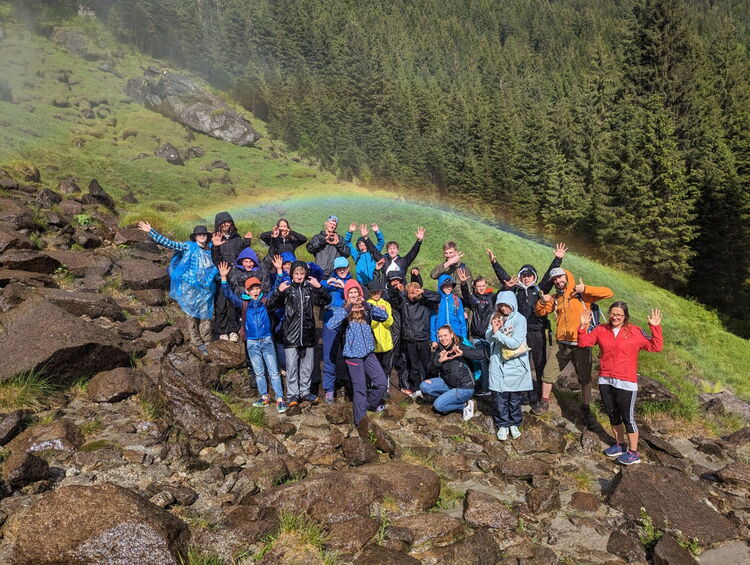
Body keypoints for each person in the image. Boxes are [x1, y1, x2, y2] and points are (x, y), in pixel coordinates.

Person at [577, 302, 663, 465]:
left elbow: (656, 347)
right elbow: (583, 342)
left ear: (625, 316)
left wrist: (655, 327)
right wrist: (583, 326)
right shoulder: (601, 329)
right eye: (612, 313)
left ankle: (634, 453)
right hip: (606, 379)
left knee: (628, 418)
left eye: (619, 315)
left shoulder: (635, 331)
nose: (615, 317)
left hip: (626, 381)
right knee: (612, 414)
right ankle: (620, 444)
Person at [487, 243, 568, 403]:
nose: (526, 278)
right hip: (519, 332)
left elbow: (549, 277)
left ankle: (539, 394)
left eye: (529, 275)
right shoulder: (515, 290)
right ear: (520, 276)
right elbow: (505, 278)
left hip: (536, 331)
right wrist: (494, 263)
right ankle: (522, 392)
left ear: (534, 276)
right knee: (520, 362)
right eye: (523, 275)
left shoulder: (539, 289)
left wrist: (557, 259)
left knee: (539, 362)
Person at [534, 268, 613, 427]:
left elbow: (608, 293)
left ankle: (585, 408)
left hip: (581, 343)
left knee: (585, 379)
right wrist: (541, 302)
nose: (558, 281)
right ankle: (544, 402)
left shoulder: (582, 294)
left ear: (567, 277)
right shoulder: (556, 298)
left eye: (560, 277)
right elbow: (539, 312)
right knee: (548, 374)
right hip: (561, 344)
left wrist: (585, 289)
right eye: (554, 279)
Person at [138, 221, 218, 357]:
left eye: (204, 234)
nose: (202, 236)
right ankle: (197, 342)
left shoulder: (211, 250)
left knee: (206, 316)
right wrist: (151, 231)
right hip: (190, 289)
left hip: (206, 289)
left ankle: (207, 341)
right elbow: (170, 244)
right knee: (191, 316)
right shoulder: (188, 246)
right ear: (195, 237)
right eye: (199, 234)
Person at [218, 262, 287, 413]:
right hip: (251, 342)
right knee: (259, 372)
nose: (255, 291)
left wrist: (279, 270)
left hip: (266, 339)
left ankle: (280, 399)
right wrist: (223, 278)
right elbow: (229, 294)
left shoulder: (265, 302)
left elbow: (276, 288)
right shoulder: (243, 304)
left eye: (257, 288)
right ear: (247, 291)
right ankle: (264, 397)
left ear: (260, 289)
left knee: (274, 371)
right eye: (252, 289)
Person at [268, 261, 331, 406]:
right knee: (291, 366)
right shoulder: (287, 289)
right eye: (296, 274)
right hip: (291, 334)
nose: (299, 276)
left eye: (302, 273)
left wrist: (319, 287)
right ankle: (292, 395)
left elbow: (326, 300)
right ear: (292, 275)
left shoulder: (310, 289)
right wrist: (278, 291)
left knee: (307, 366)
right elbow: (271, 305)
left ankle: (305, 391)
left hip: (308, 333)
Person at [327, 280, 389, 425]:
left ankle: (369, 405)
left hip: (368, 353)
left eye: (356, 292)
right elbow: (331, 325)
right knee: (360, 388)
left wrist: (367, 306)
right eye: (351, 293)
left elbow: (384, 316)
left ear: (360, 294)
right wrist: (348, 309)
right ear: (347, 295)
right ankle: (360, 422)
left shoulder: (366, 309)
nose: (354, 295)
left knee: (381, 382)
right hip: (353, 356)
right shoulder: (342, 310)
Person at [486, 291, 533, 440]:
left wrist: (498, 334)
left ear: (513, 304)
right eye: (501, 305)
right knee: (499, 397)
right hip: (498, 361)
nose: (504, 308)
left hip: (514, 363)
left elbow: (515, 343)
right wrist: (494, 329)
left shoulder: (520, 319)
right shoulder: (495, 316)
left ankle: (514, 422)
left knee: (514, 397)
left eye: (507, 305)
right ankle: (502, 424)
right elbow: (488, 337)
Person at [421, 325, 485, 420]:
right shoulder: (440, 349)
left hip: (464, 387)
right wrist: (439, 361)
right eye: (440, 336)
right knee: (424, 386)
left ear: (451, 335)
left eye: (445, 335)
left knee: (438, 405)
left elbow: (481, 354)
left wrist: (462, 353)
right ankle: (448, 398)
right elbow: (430, 368)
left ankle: (465, 404)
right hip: (448, 384)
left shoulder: (459, 345)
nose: (443, 339)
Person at [211, 211, 253, 342]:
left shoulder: (237, 239)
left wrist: (247, 242)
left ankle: (233, 330)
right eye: (223, 222)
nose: (226, 224)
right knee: (220, 304)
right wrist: (215, 247)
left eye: (228, 222)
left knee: (233, 303)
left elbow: (243, 256)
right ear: (218, 224)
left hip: (235, 276)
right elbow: (215, 260)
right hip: (221, 276)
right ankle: (222, 331)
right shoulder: (216, 238)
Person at [320, 256, 353, 403]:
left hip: (348, 323)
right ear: (335, 270)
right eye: (339, 269)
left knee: (350, 355)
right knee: (329, 355)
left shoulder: (351, 283)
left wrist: (344, 287)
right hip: (330, 322)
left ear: (348, 268)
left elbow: (358, 293)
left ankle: (350, 387)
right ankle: (329, 390)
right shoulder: (330, 282)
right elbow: (318, 286)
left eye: (344, 268)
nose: (342, 271)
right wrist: (327, 283)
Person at [457, 268, 495, 396]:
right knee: (482, 361)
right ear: (475, 287)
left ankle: (490, 386)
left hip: (489, 335)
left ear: (486, 285)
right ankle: (485, 388)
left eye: (483, 285)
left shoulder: (492, 297)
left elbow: (504, 292)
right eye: (479, 286)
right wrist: (463, 283)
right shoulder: (473, 299)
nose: (481, 288)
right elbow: (466, 295)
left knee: (490, 360)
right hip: (477, 336)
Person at [398, 281, 440, 395]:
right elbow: (393, 297)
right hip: (409, 339)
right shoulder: (404, 302)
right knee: (414, 366)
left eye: (414, 292)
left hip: (423, 338)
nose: (412, 295)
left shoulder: (425, 302)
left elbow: (438, 297)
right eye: (410, 293)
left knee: (427, 364)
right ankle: (417, 388)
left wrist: (423, 291)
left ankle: (431, 386)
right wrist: (402, 291)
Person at [366, 279, 395, 382]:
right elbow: (370, 325)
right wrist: (378, 314)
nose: (376, 294)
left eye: (378, 291)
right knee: (375, 370)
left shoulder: (386, 304)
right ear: (369, 293)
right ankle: (375, 386)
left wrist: (384, 314)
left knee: (386, 368)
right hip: (373, 345)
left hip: (386, 344)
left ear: (381, 291)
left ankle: (385, 387)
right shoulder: (367, 305)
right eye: (373, 292)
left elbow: (389, 323)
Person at [430, 274, 467, 348]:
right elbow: (433, 321)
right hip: (441, 338)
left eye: (450, 286)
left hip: (456, 336)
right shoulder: (437, 301)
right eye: (446, 286)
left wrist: (464, 338)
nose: (449, 288)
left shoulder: (456, 300)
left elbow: (462, 321)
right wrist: (433, 340)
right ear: (441, 286)